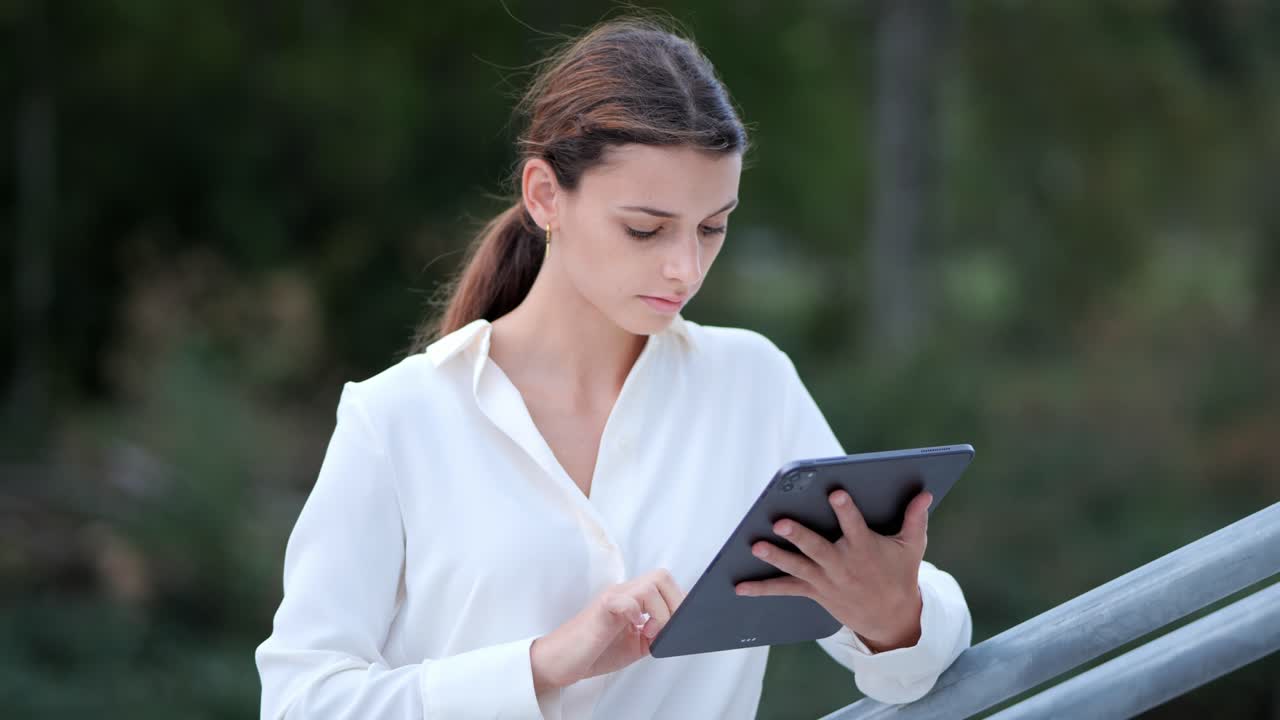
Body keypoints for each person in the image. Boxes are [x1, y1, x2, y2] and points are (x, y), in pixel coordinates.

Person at [256, 15, 971, 720]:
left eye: (712, 227)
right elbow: (300, 703)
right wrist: (542, 666)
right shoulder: (398, 418)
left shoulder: (752, 385)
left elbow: (915, 667)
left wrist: (895, 616)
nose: (685, 267)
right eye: (645, 228)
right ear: (543, 195)